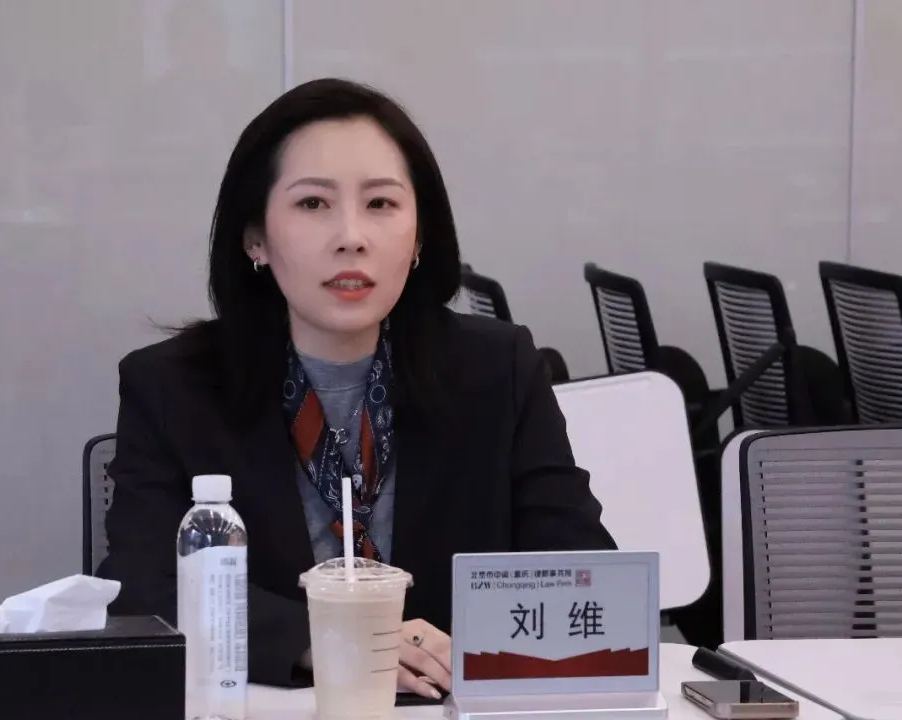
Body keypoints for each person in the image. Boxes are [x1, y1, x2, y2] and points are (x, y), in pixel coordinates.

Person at [98, 77, 616, 697]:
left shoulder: (497, 369)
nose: (351, 236)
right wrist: (327, 641)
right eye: (313, 204)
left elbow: (582, 571)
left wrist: (481, 649)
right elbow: (141, 591)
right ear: (255, 237)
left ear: (419, 235)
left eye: (381, 203)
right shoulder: (172, 386)